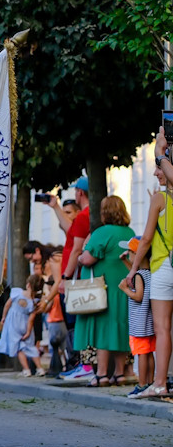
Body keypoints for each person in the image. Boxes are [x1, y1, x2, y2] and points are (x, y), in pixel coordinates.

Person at [75, 195, 133, 386]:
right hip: (124, 289)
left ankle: (101, 374)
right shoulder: (129, 232)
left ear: (104, 212)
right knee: (120, 329)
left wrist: (80, 255)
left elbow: (87, 259)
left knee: (103, 331)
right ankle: (120, 373)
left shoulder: (102, 232)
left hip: (103, 289)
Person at [130, 147, 173, 397]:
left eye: (159, 167)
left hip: (163, 267)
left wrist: (134, 269)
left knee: (162, 328)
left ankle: (159, 384)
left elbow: (146, 239)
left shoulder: (160, 199)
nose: (156, 173)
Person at [56, 176, 94, 380]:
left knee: (76, 322)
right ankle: (83, 364)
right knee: (79, 321)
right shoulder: (89, 216)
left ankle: (82, 364)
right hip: (81, 276)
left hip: (75, 277)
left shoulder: (83, 216)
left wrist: (65, 277)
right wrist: (55, 207)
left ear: (80, 193)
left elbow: (76, 249)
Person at [118, 236, 154, 398]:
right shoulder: (148, 272)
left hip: (139, 322)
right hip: (149, 321)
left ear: (137, 254)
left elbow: (138, 296)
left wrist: (125, 289)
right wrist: (125, 261)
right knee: (149, 353)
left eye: (130, 253)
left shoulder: (139, 275)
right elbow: (134, 274)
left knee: (141, 354)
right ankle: (151, 382)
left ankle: (141, 384)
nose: (128, 254)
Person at [0, 277, 43, 376]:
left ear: (28, 285)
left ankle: (26, 369)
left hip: (13, 323)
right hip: (25, 324)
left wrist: (3, 317)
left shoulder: (17, 293)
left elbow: (7, 305)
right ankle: (40, 368)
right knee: (31, 347)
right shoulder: (34, 302)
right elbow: (31, 319)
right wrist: (28, 332)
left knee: (18, 348)